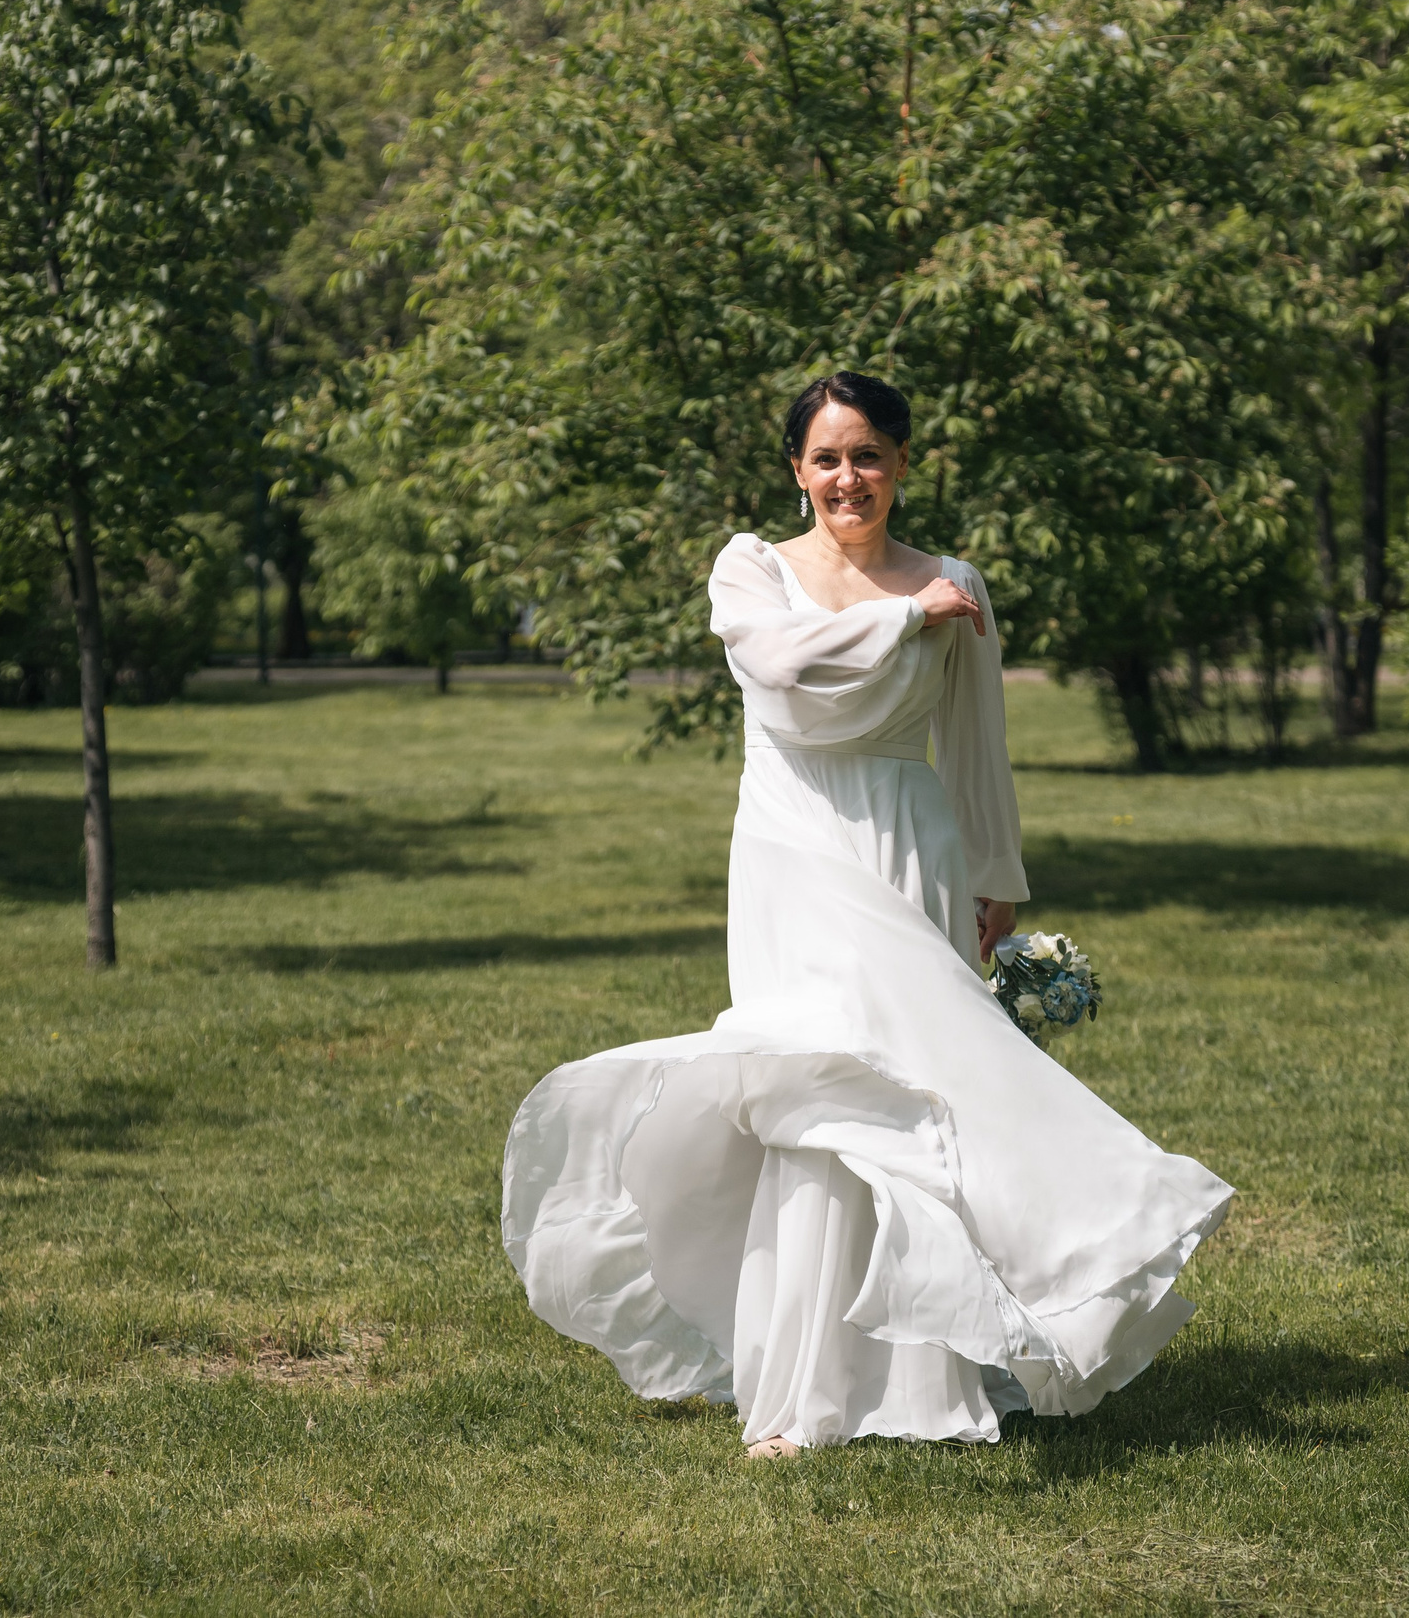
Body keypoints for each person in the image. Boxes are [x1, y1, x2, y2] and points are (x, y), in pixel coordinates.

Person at [500, 371, 1233, 1456]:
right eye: (829, 457)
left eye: (871, 454)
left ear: (902, 463)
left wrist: (996, 875)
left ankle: (933, 1375)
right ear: (797, 471)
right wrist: (905, 616)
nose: (851, 477)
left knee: (917, 1096)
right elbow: (774, 661)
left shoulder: (955, 581)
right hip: (795, 849)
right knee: (815, 1089)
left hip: (913, 845)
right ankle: (799, 1396)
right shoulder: (753, 568)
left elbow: (976, 744)